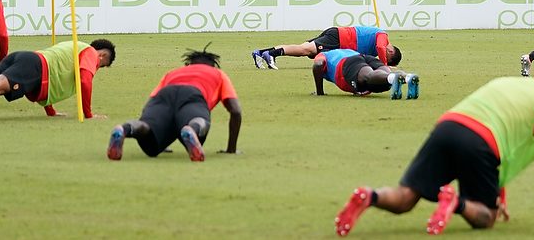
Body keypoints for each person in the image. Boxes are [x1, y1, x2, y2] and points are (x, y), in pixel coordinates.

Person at [334, 54, 534, 236]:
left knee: (405, 198)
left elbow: (504, 138)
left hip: (447, 127)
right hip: (481, 143)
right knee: (486, 217)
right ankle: (454, 202)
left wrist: (497, 193)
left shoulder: (504, 81)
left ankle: (370, 195)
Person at [107, 45, 242, 162]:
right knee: (199, 122)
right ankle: (191, 130)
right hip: (193, 95)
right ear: (212, 65)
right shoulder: (217, 74)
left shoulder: (173, 73)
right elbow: (235, 110)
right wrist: (231, 149)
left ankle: (124, 129)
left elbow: (152, 102)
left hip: (164, 95)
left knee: (150, 142)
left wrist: (158, 131)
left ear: (189, 64)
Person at [252, 25, 401, 70]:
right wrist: (385, 67)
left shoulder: (375, 50)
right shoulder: (383, 37)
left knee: (302, 49)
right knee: (306, 50)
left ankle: (261, 53)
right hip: (339, 38)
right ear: (390, 51)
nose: (382, 58)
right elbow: (381, 47)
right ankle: (271, 55)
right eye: (387, 58)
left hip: (338, 37)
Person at [312, 49, 418, 100]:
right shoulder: (344, 50)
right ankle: (407, 77)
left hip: (346, 64)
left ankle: (392, 78)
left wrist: (319, 92)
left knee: (369, 77)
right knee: (384, 75)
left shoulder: (323, 55)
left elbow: (318, 64)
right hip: (364, 56)